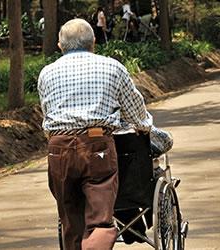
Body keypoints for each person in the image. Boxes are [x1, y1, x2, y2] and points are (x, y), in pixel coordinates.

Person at [37, 18, 152, 250]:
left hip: (59, 150)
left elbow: (48, 113)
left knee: (70, 219)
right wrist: (144, 126)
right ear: (94, 43)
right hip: (97, 144)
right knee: (99, 220)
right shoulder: (112, 67)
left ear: (60, 45)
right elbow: (136, 113)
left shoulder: (46, 73)